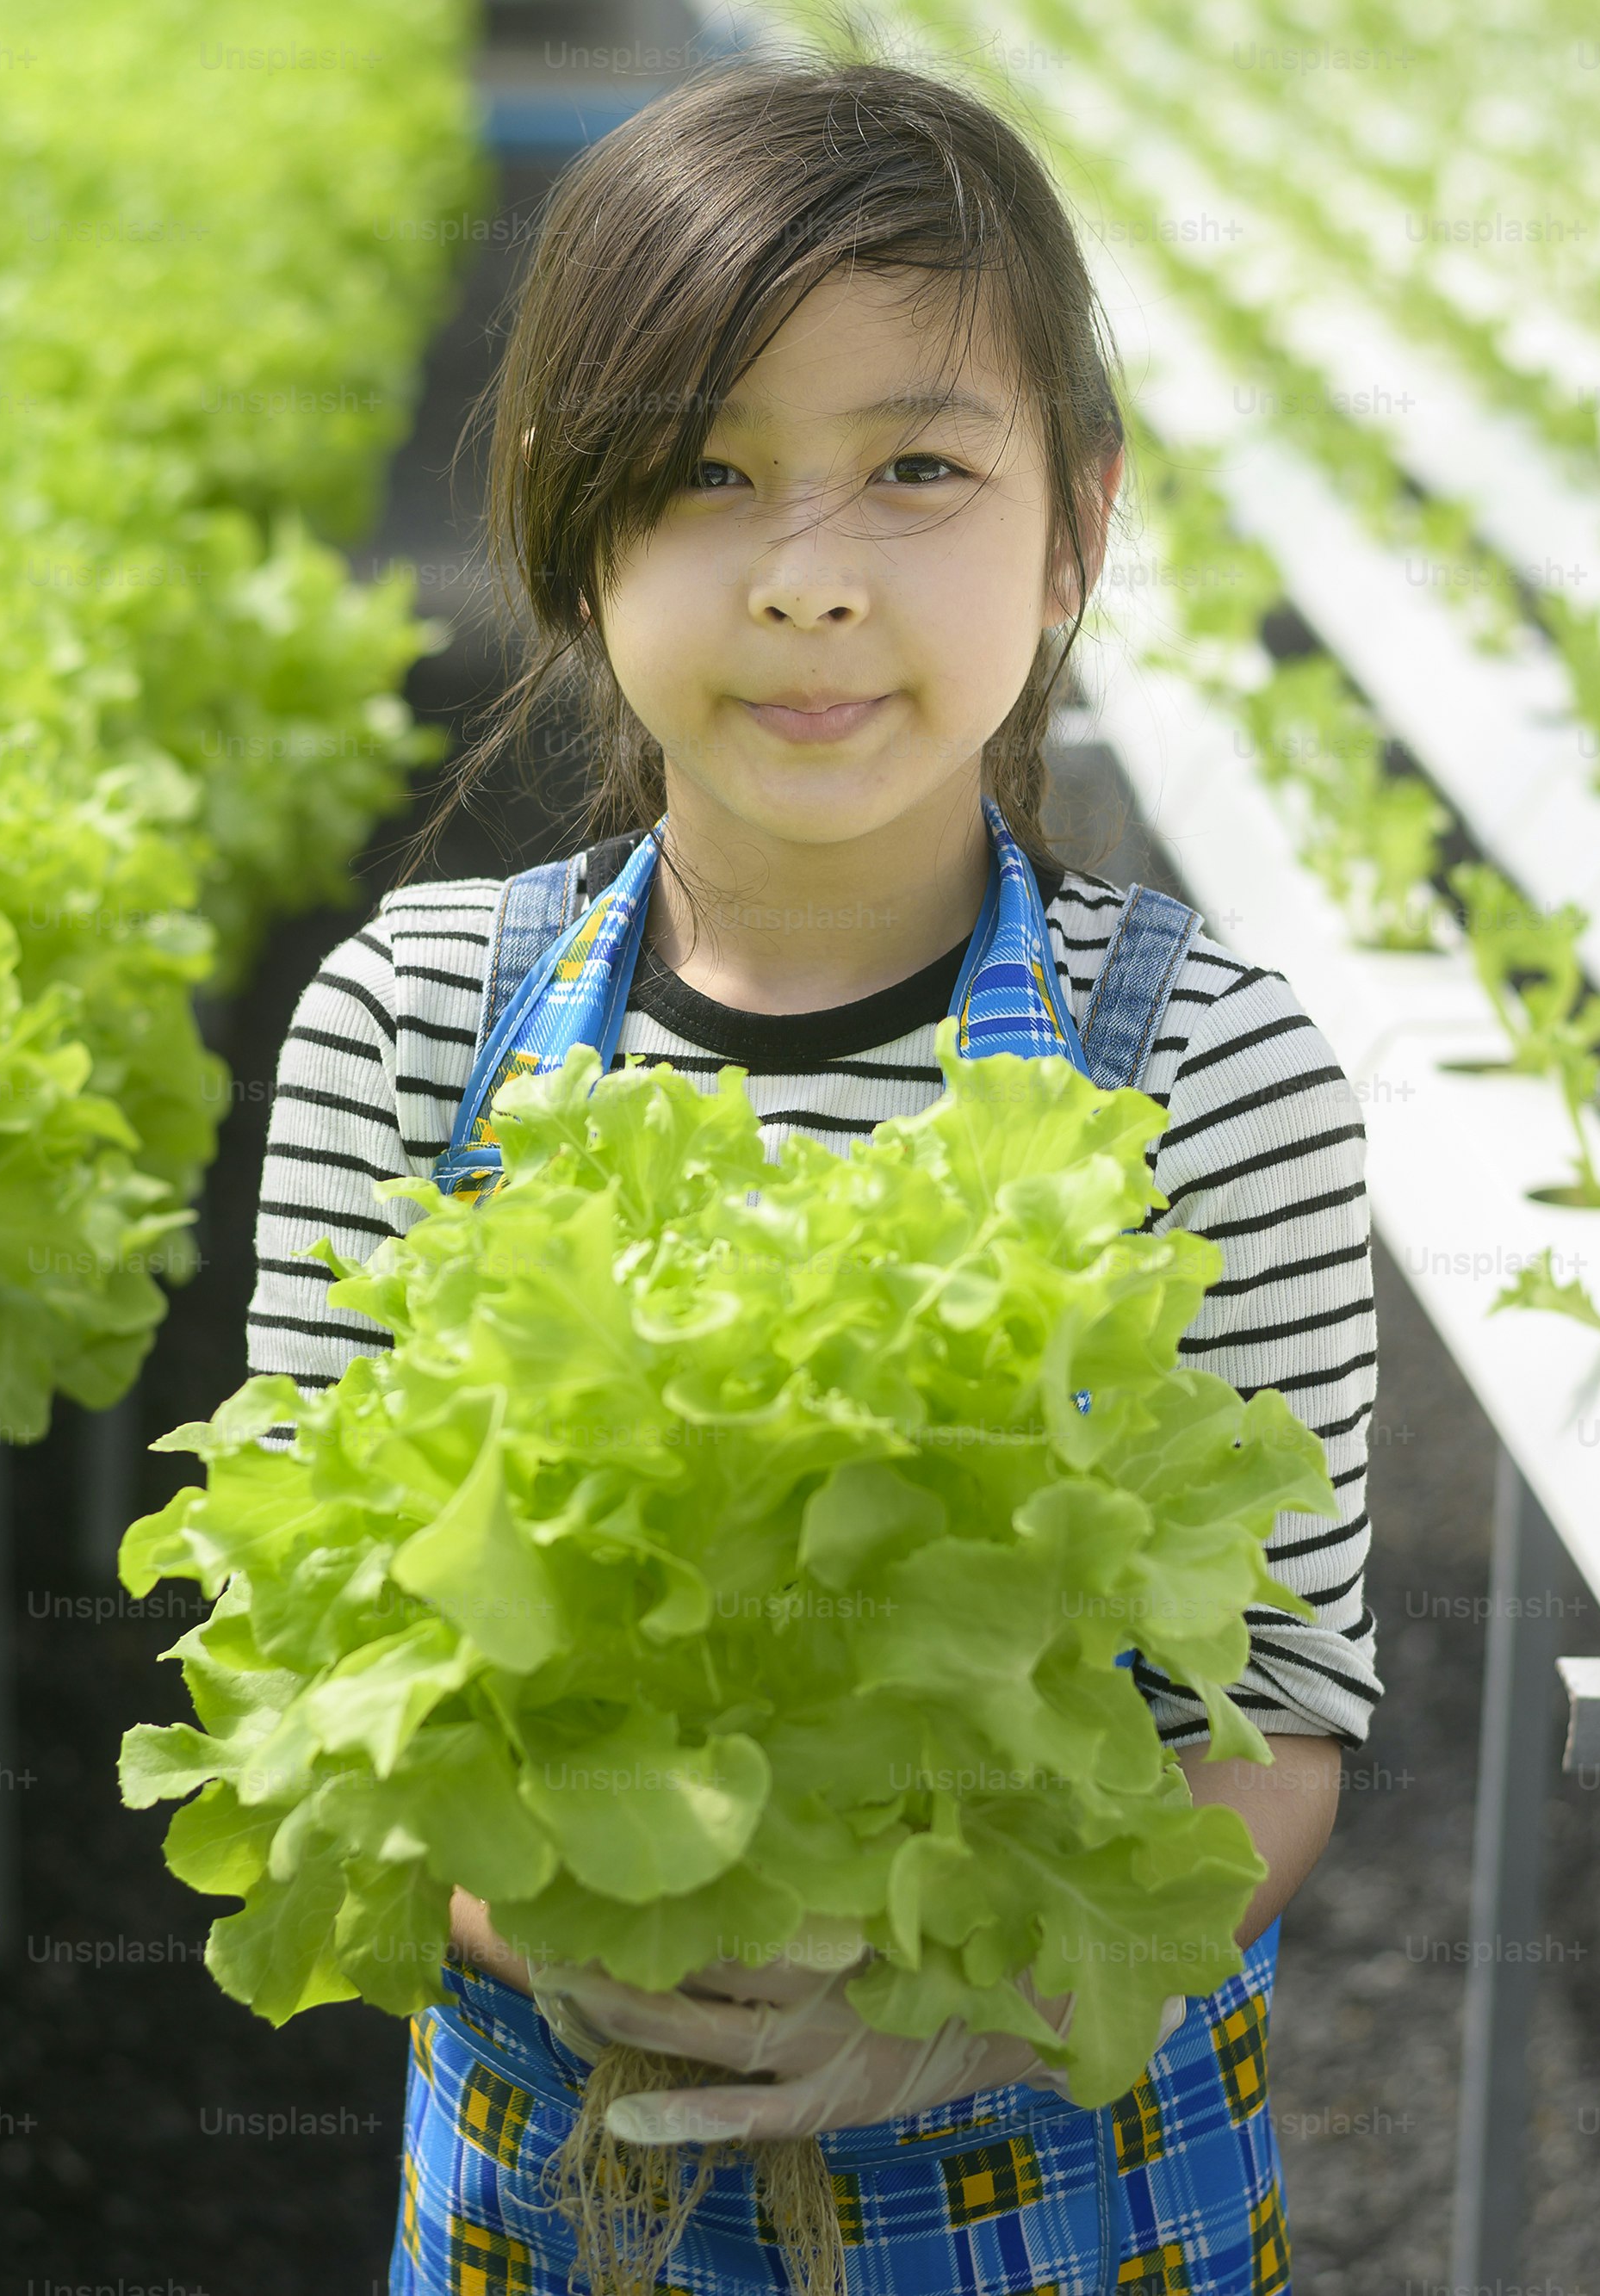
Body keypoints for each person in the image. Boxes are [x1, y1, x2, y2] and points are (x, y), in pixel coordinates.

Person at [239, 47, 1382, 2296]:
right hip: (565, 2172)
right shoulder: (410, 1025)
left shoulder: (1215, 1075)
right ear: (567, 534)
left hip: (1056, 2158)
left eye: (918, 470)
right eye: (704, 474)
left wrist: (955, 2002)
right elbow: (302, 1684)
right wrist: (549, 1904)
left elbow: (1283, 1722)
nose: (810, 578)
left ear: (1080, 528)